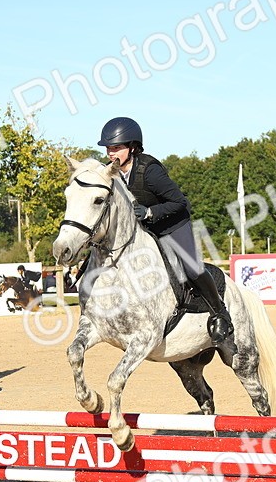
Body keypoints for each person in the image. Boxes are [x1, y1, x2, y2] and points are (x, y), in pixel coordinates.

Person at [97, 116, 234, 348]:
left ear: (132, 147)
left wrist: (150, 212)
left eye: (116, 148)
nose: (111, 153)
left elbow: (181, 203)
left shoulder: (150, 171)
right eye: (109, 148)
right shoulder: (112, 173)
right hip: (144, 230)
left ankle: (221, 313)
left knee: (191, 266)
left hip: (172, 224)